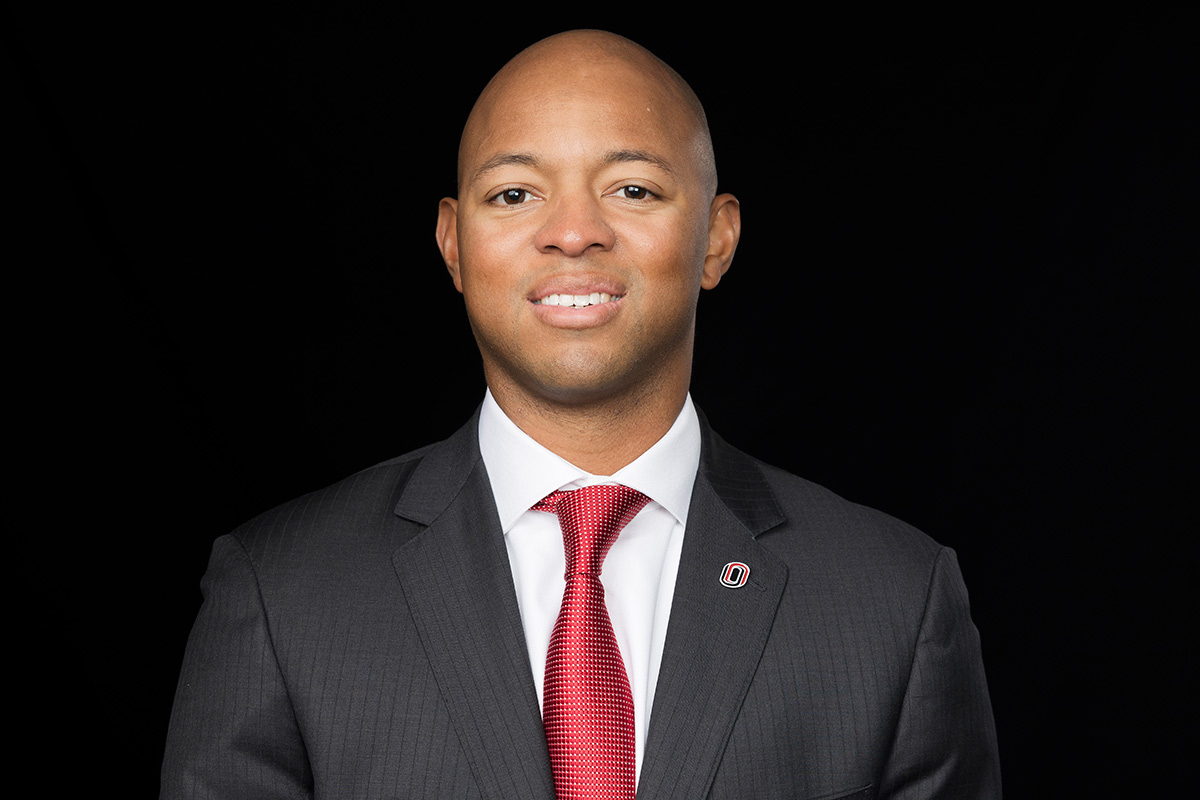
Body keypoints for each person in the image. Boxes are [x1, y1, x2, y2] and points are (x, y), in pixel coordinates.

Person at [161, 29, 1000, 800]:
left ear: (716, 237)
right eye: (515, 193)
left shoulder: (893, 603)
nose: (572, 233)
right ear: (453, 245)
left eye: (631, 188)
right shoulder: (280, 594)